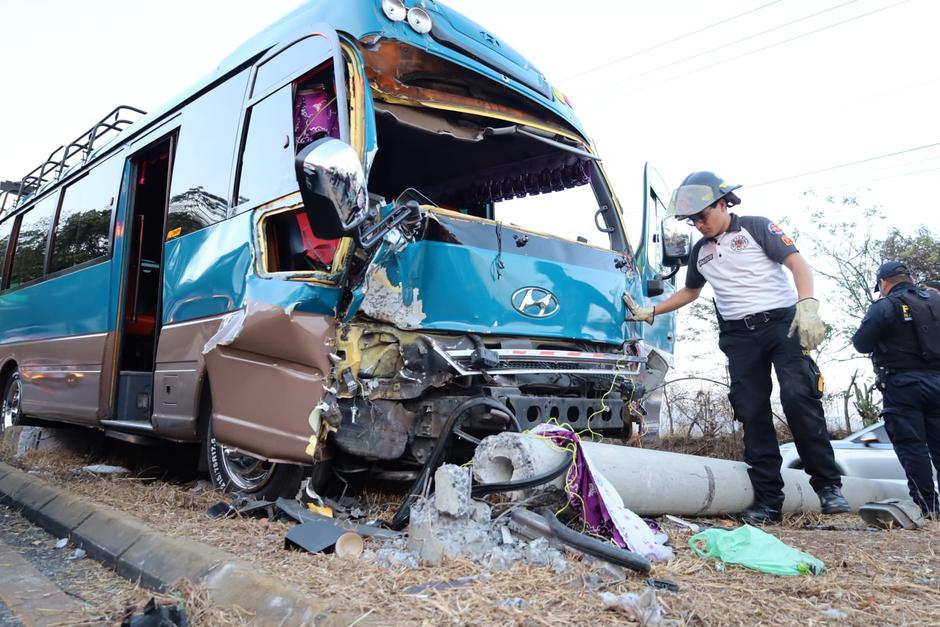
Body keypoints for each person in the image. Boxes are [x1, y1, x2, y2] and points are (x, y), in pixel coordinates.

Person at [626, 171, 848, 524]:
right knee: (751, 410)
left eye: (704, 215)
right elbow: (690, 292)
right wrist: (651, 311)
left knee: (797, 396)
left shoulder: (757, 228)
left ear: (723, 203)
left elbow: (797, 263)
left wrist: (808, 305)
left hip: (782, 325)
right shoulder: (700, 252)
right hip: (739, 337)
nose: (699, 224)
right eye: (693, 220)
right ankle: (769, 501)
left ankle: (828, 486)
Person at [851, 261, 940, 518]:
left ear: (883, 283)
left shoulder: (886, 305)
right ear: (910, 278)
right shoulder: (935, 302)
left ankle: (929, 507)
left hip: (903, 386)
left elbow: (861, 343)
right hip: (937, 382)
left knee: (912, 446)